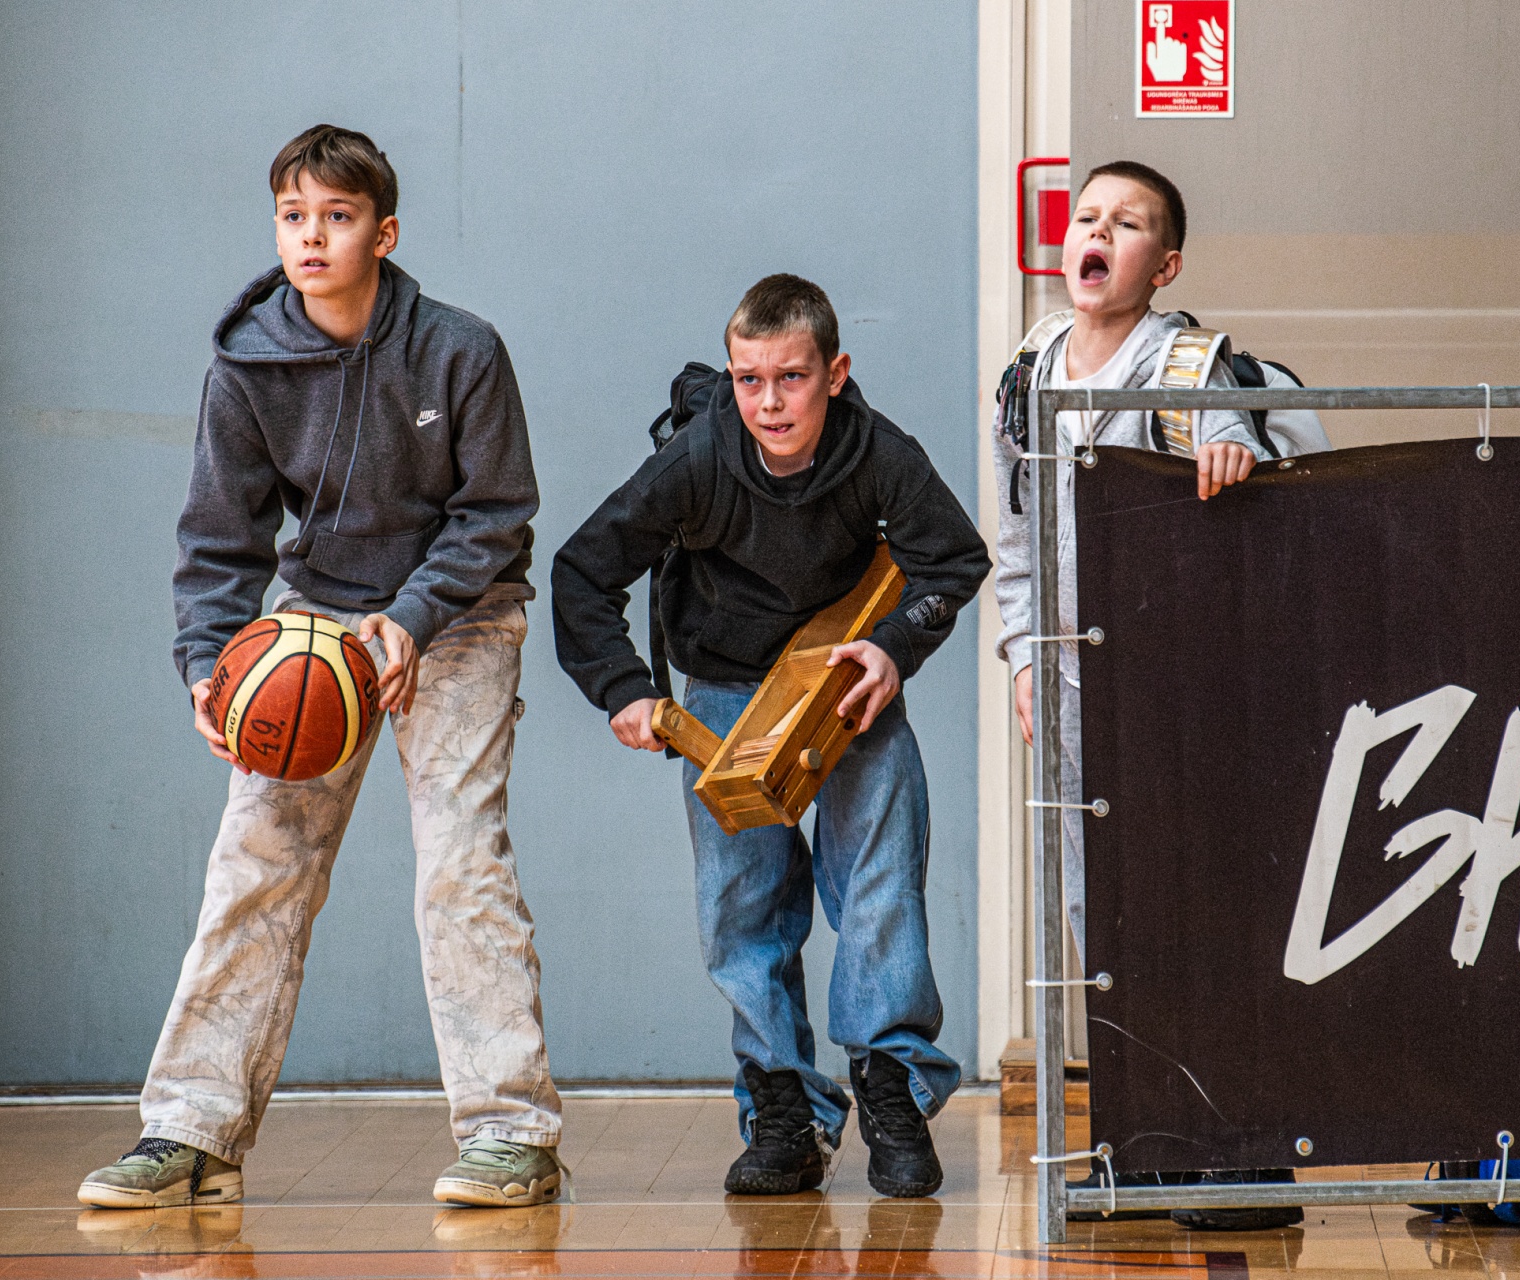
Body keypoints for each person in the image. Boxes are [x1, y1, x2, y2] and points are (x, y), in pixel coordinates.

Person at [75, 125, 565, 1212]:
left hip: (461, 617)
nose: (312, 236)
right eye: (294, 216)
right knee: (254, 861)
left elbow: (498, 512)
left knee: (461, 866)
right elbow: (220, 539)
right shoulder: (247, 365)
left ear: (382, 235)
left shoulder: (461, 350)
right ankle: (191, 1129)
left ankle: (511, 1134)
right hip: (317, 626)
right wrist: (207, 668)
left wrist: (413, 618)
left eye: (337, 217)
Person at [551, 274, 990, 1199]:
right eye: (749, 380)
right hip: (723, 689)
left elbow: (954, 559)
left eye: (791, 378)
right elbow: (582, 572)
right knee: (742, 908)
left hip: (846, 682)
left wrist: (895, 648)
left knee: (878, 886)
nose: (770, 403)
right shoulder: (698, 459)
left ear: (835, 372)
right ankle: (783, 1110)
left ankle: (892, 1089)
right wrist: (623, 688)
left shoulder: (879, 453)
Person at [990, 160, 1296, 1231]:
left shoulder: (1194, 363)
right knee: (1101, 913)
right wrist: (1023, 655)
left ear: (1162, 267)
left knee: (1202, 907)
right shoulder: (1027, 369)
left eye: (1126, 224)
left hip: (1180, 686)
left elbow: (1249, 437)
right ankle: (1152, 1141)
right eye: (1086, 217)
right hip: (1075, 685)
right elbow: (1017, 535)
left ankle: (1246, 1159)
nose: (1098, 233)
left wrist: (1231, 443)